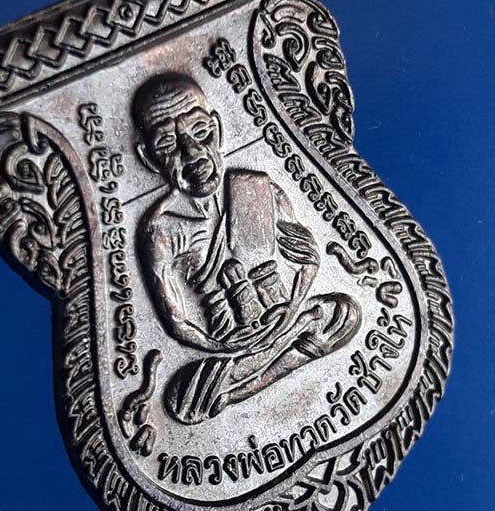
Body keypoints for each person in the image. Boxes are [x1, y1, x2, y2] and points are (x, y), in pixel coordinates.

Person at [133, 73, 360, 424]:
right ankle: (266, 369)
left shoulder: (257, 188)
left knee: (343, 313)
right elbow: (176, 321)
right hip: (231, 347)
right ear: (149, 158)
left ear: (218, 130)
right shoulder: (160, 229)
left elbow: (309, 260)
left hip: (285, 319)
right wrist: (224, 347)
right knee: (183, 399)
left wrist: (292, 309)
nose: (192, 152)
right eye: (169, 144)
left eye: (200, 132)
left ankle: (247, 382)